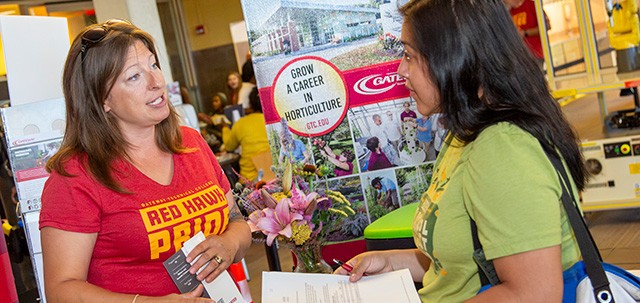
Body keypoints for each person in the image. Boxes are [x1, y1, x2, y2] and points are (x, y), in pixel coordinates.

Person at [334, 1, 587, 302]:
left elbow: (533, 294)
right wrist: (389, 262)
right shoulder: (467, 132)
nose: (401, 70)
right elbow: (458, 263)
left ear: (454, 58)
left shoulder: (502, 149)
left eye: (409, 56)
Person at [38, 20, 251, 302]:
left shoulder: (191, 143)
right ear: (102, 100)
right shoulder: (76, 177)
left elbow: (236, 221)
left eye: (153, 65)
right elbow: (61, 290)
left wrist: (228, 243)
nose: (156, 82)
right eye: (134, 77)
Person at [222, 87, 270, 181]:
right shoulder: (274, 121)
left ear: (250, 104)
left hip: (250, 181)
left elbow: (229, 146)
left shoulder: (241, 123)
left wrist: (225, 128)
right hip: (276, 175)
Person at [505, 0, 551, 69]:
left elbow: (547, 26)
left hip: (535, 55)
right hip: (518, 58)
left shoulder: (532, 5)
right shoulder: (508, 12)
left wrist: (525, 33)